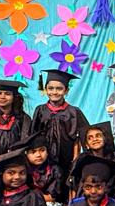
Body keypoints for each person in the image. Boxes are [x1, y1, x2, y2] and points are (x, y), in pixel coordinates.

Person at [31, 70, 89, 198]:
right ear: (45, 89)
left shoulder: (74, 112)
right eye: (50, 88)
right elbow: (33, 135)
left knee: (65, 186)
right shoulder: (40, 110)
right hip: (44, 157)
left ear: (66, 91)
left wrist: (76, 159)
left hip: (67, 157)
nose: (54, 92)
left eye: (59, 88)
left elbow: (85, 135)